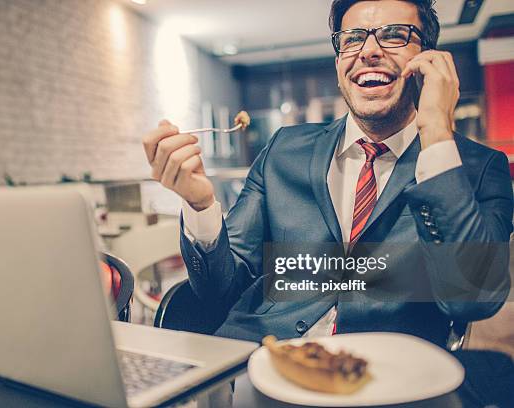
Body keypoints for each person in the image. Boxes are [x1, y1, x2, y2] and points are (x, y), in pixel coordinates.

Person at [142, 0, 513, 346]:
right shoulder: (282, 150)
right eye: (352, 39)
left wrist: (435, 134)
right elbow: (221, 287)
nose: (368, 51)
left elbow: (473, 300)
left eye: (394, 34)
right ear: (339, 66)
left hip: (387, 376)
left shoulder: (479, 168)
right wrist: (200, 204)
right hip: (262, 358)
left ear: (430, 59)